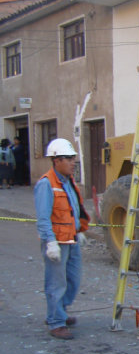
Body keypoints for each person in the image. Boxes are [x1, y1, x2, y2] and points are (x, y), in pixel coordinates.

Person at [34, 138, 90, 339]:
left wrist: (79, 230)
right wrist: (50, 243)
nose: (73, 162)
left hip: (71, 239)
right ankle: (56, 322)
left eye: (73, 158)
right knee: (56, 283)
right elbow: (43, 217)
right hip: (56, 242)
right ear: (56, 160)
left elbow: (73, 210)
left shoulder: (68, 182)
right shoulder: (46, 184)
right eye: (68, 159)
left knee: (73, 280)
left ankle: (59, 312)